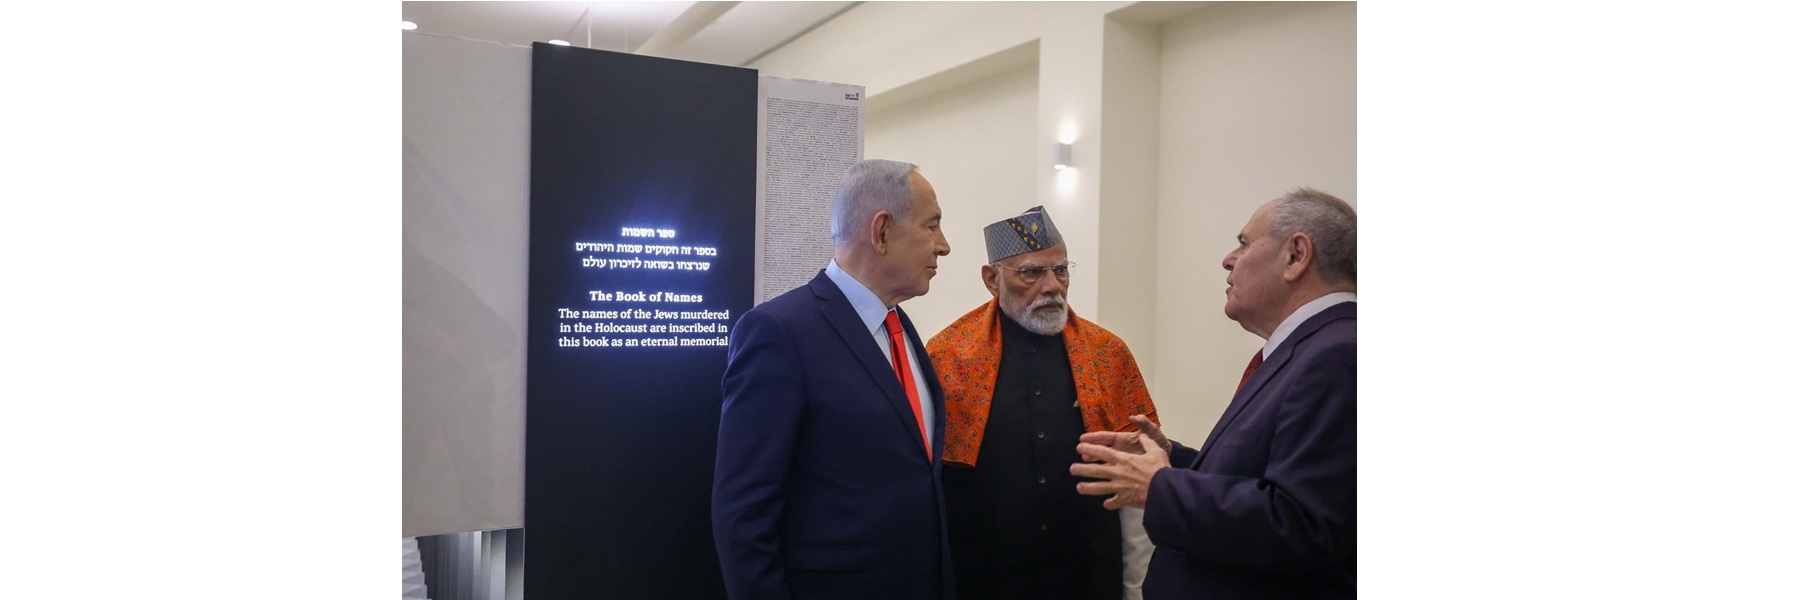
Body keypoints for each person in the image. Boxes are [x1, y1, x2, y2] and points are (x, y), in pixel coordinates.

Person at [1070, 188, 1357, 598]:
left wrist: (1160, 487)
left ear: (1295, 255)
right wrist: (1172, 458)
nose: (1228, 259)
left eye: (1244, 243)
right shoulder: (1308, 349)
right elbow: (1260, 476)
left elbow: (1303, 524)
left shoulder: (1339, 354)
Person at [712, 159, 955, 600]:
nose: (944, 246)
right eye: (932, 226)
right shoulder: (779, 332)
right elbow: (744, 515)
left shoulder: (901, 327)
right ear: (881, 232)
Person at [927, 206, 1161, 600]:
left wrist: (1137, 587)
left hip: (1087, 577)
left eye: (1062, 270)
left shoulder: (1108, 354)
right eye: (1032, 272)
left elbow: (1139, 481)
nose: (1052, 285)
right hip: (983, 580)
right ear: (991, 279)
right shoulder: (948, 357)